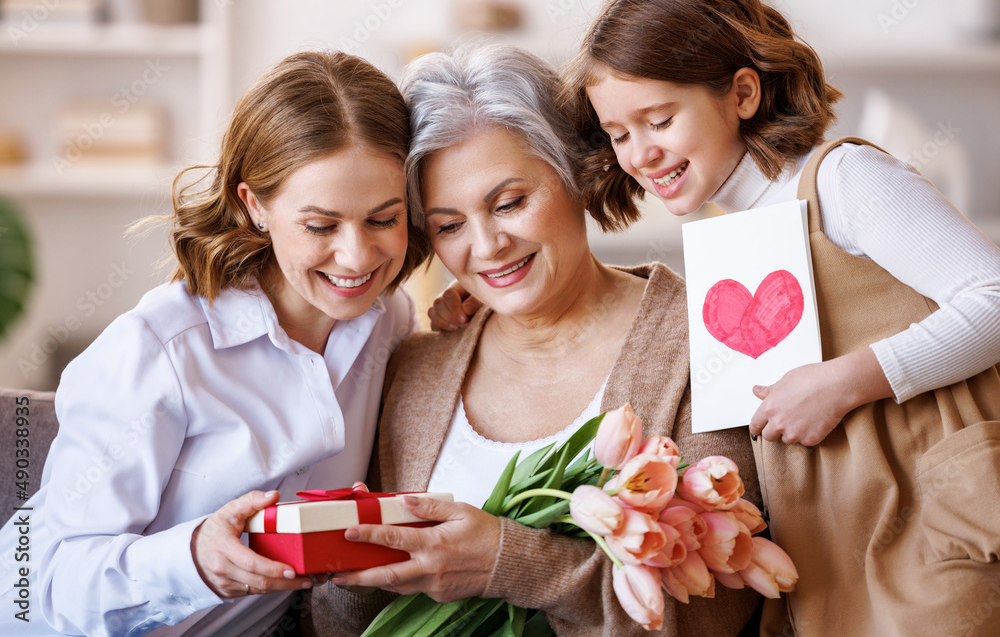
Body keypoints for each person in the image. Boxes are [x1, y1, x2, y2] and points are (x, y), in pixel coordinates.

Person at [550, 0, 1000, 635]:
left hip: (934, 519)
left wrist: (847, 382)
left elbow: (993, 297)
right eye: (619, 134)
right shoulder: (733, 239)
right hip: (830, 539)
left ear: (742, 93)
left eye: (659, 120)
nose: (640, 154)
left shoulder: (843, 179)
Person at [309, 43, 763, 637]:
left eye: (511, 202)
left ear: (577, 172)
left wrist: (508, 562)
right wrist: (337, 566)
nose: (488, 245)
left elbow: (714, 610)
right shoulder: (416, 367)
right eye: (449, 225)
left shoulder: (709, 340)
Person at [0, 50, 430, 636]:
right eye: (321, 226)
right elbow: (32, 585)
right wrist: (195, 557)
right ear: (254, 205)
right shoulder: (161, 350)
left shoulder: (389, 319)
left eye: (384, 219)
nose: (356, 257)